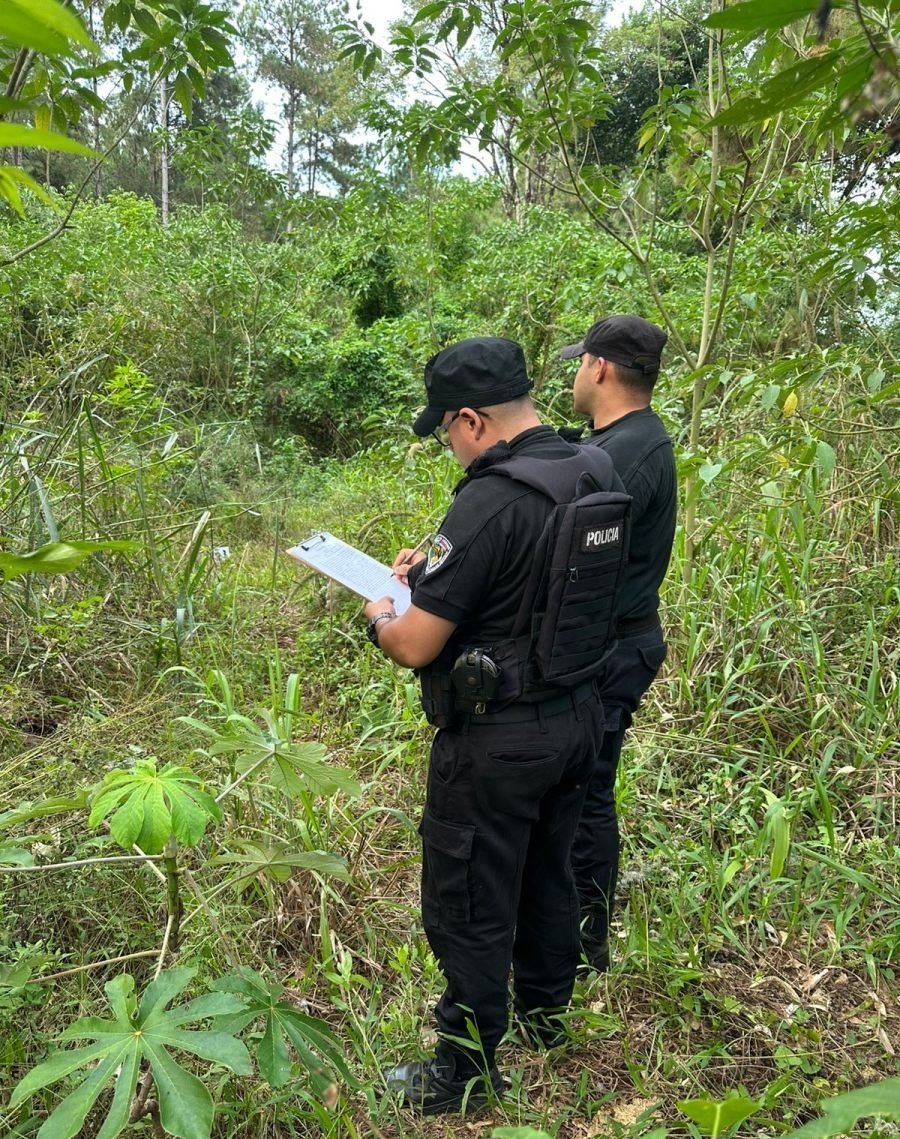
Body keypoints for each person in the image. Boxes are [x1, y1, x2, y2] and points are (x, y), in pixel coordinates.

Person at [362, 336, 624, 1115]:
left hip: (497, 740)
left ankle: (466, 1071)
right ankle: (546, 1011)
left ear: (471, 418)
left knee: (470, 899)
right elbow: (533, 590)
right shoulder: (592, 467)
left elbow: (415, 643)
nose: (449, 442)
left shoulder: (491, 499)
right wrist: (433, 574)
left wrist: (384, 606)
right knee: (549, 868)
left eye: (446, 427)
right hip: (578, 715)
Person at [558, 315, 677, 971]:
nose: (576, 371)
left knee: (585, 792)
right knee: (581, 788)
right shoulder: (621, 440)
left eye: (581, 361)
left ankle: (583, 941)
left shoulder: (627, 455)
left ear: (600, 367)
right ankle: (576, 924)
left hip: (612, 650)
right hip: (615, 642)